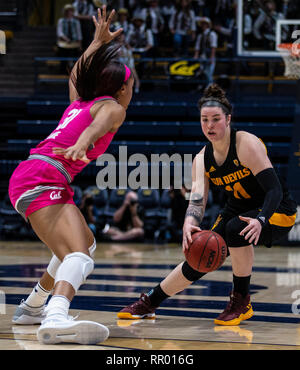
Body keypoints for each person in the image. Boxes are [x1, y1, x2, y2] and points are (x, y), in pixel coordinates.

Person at [117, 83, 297, 325]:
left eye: (216, 119)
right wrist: (189, 224)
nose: (210, 126)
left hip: (276, 209)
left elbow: (274, 189)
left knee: (235, 229)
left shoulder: (246, 143)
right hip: (240, 207)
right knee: (201, 252)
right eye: (205, 120)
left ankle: (241, 300)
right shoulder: (202, 158)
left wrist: (262, 218)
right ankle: (150, 301)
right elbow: (197, 200)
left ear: (228, 119)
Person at [9, 6, 134, 345]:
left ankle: (33, 306)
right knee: (79, 255)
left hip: (34, 173)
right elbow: (99, 125)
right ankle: (55, 315)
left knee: (85, 244)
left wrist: (95, 42)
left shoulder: (79, 100)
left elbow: (75, 74)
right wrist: (84, 142)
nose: (131, 91)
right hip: (43, 176)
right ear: (122, 88)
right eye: (131, 84)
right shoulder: (113, 106)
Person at [194, 17, 218, 86]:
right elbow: (197, 47)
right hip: (202, 57)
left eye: (204, 24)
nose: (203, 25)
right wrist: (196, 56)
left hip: (209, 56)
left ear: (207, 25)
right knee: (202, 73)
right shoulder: (200, 35)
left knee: (209, 74)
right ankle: (202, 87)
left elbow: (213, 47)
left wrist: (212, 58)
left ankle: (209, 89)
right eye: (202, 24)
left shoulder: (212, 34)